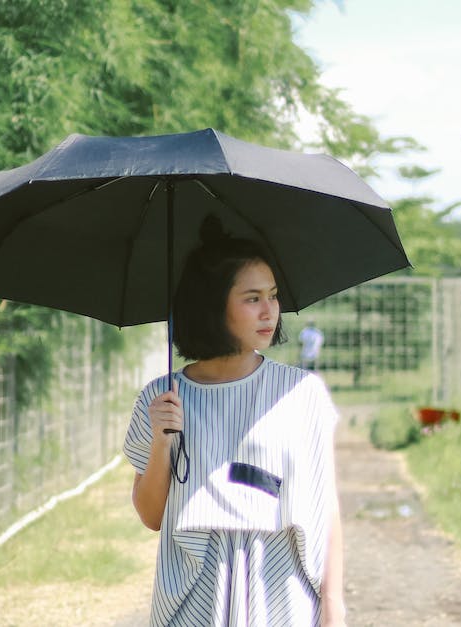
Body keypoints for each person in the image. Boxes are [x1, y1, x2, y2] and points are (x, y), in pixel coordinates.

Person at [123, 216, 346, 626]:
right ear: (213, 305)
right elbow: (152, 517)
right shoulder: (163, 399)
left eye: (273, 296)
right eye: (252, 298)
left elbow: (324, 505)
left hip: (281, 597)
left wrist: (334, 605)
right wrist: (161, 442)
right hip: (192, 604)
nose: (269, 311)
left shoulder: (301, 392)